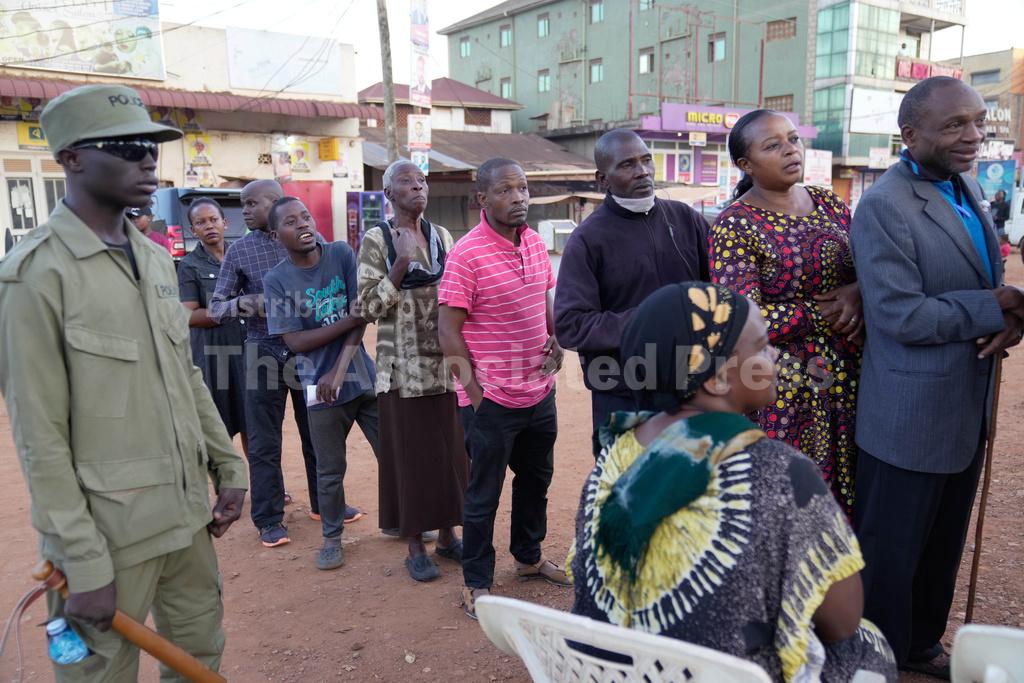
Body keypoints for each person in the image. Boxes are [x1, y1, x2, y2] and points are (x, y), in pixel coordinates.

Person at [0, 84, 248, 681]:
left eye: (151, 146)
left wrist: (228, 465)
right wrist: (81, 558)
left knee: (199, 656)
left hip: (186, 519)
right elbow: (39, 435)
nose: (147, 160)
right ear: (71, 159)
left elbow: (185, 374)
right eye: (127, 147)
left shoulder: (156, 260)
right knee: (101, 674)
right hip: (108, 537)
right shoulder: (35, 275)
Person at [567, 282, 897, 682]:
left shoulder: (613, 454)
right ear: (719, 378)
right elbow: (843, 621)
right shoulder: (778, 472)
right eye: (761, 347)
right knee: (867, 646)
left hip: (610, 670)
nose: (774, 355)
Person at [851, 76, 1024, 677]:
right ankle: (877, 660)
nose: (973, 135)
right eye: (955, 125)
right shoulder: (884, 205)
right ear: (911, 134)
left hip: (965, 405)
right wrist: (997, 305)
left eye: (978, 121)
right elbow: (900, 315)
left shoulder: (965, 185)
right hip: (907, 416)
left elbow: (983, 284)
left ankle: (922, 645)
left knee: (942, 543)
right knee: (890, 554)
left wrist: (1011, 316)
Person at [710, 109, 862, 515]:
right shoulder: (735, 225)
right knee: (790, 507)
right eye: (773, 145)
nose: (790, 150)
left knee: (853, 501)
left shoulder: (829, 202)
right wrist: (820, 311)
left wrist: (858, 292)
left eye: (793, 139)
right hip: (782, 392)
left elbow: (867, 266)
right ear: (746, 164)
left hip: (851, 378)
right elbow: (741, 320)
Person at [438, 157, 568, 619]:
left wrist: (555, 336)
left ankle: (528, 558)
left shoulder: (533, 242)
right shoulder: (466, 254)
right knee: (484, 494)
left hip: (539, 390)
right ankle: (476, 582)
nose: (518, 198)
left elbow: (544, 296)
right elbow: (448, 332)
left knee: (536, 481)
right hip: (491, 400)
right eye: (505, 190)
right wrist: (476, 396)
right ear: (483, 198)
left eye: (523, 188)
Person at [208, 179, 361, 549]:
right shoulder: (240, 251)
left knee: (316, 433)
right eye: (242, 204)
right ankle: (268, 518)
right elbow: (215, 308)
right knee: (264, 441)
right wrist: (253, 303)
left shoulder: (311, 240)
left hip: (310, 351)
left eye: (251, 203)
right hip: (262, 351)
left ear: (275, 203)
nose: (245, 211)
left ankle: (324, 505)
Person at [555, 129, 711, 459]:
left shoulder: (686, 219)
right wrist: (650, 320)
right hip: (624, 397)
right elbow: (571, 325)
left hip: (692, 389)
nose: (642, 171)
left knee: (692, 483)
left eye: (646, 160)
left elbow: (722, 292)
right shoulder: (587, 240)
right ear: (602, 179)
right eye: (627, 164)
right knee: (628, 485)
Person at [357, 160, 468, 582]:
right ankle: (415, 546)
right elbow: (366, 307)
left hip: (443, 367)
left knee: (449, 454)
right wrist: (400, 263)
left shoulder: (442, 236)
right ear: (388, 193)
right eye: (406, 181)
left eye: (422, 180)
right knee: (411, 460)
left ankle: (448, 537)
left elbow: (456, 297)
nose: (418, 187)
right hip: (402, 371)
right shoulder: (377, 239)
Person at [264, 197, 379, 570]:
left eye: (306, 216)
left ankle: (401, 521)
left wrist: (340, 367)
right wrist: (349, 319)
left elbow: (362, 312)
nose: (303, 224)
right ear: (275, 235)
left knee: (393, 455)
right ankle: (332, 538)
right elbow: (296, 341)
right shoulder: (276, 280)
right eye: (290, 222)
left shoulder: (341, 254)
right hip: (320, 390)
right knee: (329, 471)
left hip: (362, 378)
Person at [177, 197, 248, 456]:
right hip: (213, 357)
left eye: (213, 220)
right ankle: (228, 479)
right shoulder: (189, 265)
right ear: (193, 230)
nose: (209, 226)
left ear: (225, 223)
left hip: (248, 352)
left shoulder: (241, 255)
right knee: (220, 426)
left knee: (253, 424)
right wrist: (234, 307)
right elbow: (189, 315)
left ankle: (262, 479)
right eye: (200, 222)